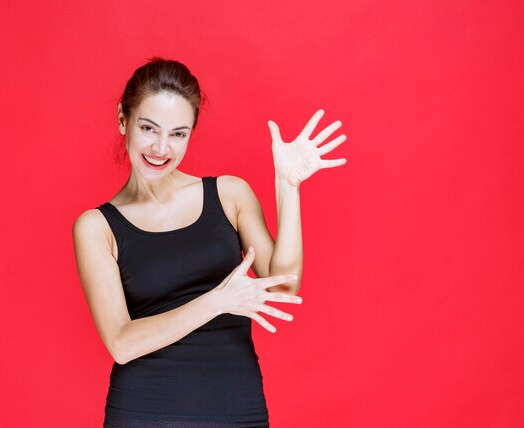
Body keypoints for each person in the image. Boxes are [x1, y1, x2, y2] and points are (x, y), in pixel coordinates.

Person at [72, 57, 347, 427]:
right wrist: (218, 301)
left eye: (178, 133)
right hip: (144, 412)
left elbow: (282, 287)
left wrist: (288, 185)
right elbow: (122, 344)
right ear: (123, 120)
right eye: (149, 128)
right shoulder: (97, 227)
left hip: (236, 407)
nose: (161, 148)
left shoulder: (230, 194)